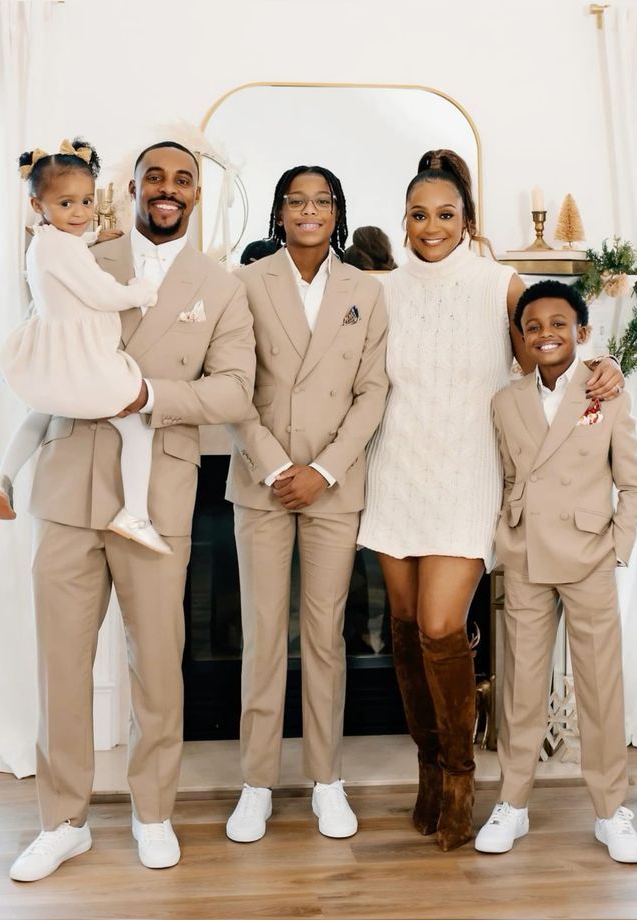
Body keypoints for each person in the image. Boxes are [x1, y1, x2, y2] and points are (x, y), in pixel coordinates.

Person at [357, 149, 626, 852]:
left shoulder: (496, 281)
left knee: (444, 625)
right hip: (395, 471)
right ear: (405, 221)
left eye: (445, 214)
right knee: (409, 623)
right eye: (419, 214)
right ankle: (427, 764)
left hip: (468, 472)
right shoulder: (382, 288)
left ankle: (459, 774)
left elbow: (550, 342)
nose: (431, 226)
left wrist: (607, 366)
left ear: (466, 219)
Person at [8, 141, 256, 882]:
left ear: (197, 194)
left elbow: (236, 391)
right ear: (133, 186)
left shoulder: (222, 284)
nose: (168, 189)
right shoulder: (78, 251)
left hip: (159, 496)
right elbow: (44, 347)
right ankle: (63, 822)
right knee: (60, 663)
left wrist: (147, 397)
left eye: (183, 179)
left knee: (157, 665)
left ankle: (154, 811)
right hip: (67, 481)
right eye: (155, 176)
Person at [224, 165, 388, 844]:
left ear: (337, 212)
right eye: (297, 201)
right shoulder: (246, 282)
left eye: (322, 201)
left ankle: (327, 781)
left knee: (324, 640)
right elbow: (231, 385)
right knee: (264, 639)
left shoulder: (366, 292)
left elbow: (372, 392)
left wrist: (321, 470)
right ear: (280, 213)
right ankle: (256, 784)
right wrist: (274, 467)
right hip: (261, 484)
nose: (310, 211)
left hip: (333, 487)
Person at [475, 280, 637, 863]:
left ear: (582, 332)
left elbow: (633, 483)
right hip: (526, 556)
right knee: (522, 684)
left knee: (601, 686)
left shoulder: (605, 391)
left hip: (588, 553)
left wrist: (616, 549)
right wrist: (504, 537)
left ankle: (610, 809)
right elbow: (505, 476)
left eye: (557, 324)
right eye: (532, 327)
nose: (544, 333)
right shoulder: (505, 401)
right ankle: (514, 803)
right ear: (520, 340)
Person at [0, 138, 174, 553]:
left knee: (41, 410)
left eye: (87, 202)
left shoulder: (46, 241)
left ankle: (3, 477)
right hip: (84, 360)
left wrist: (94, 236)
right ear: (39, 206)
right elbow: (103, 294)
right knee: (136, 424)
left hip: (51, 355)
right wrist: (140, 291)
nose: (80, 213)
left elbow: (67, 250)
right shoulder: (61, 248)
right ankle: (135, 513)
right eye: (66, 204)